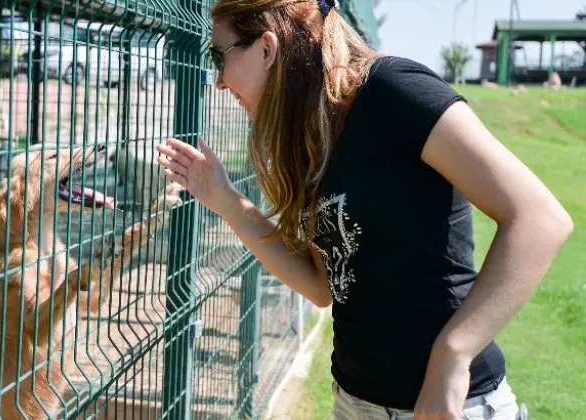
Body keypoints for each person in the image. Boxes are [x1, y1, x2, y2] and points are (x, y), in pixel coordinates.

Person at [155, 0, 573, 419]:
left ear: (266, 48)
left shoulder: (393, 89)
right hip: (355, 402)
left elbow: (540, 219)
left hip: (448, 404)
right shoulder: (313, 131)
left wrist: (453, 354)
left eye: (218, 57)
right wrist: (229, 203)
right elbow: (322, 287)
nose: (220, 84)